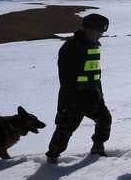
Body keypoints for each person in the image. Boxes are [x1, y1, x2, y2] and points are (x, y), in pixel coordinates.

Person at [45, 13, 112, 163]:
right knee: (65, 130)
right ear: (88, 29)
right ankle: (52, 158)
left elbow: (95, 74)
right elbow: (66, 77)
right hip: (74, 98)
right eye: (97, 32)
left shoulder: (93, 46)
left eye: (101, 33)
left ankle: (98, 149)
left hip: (92, 96)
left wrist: (99, 94)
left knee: (105, 118)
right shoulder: (71, 47)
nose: (99, 36)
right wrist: (71, 99)